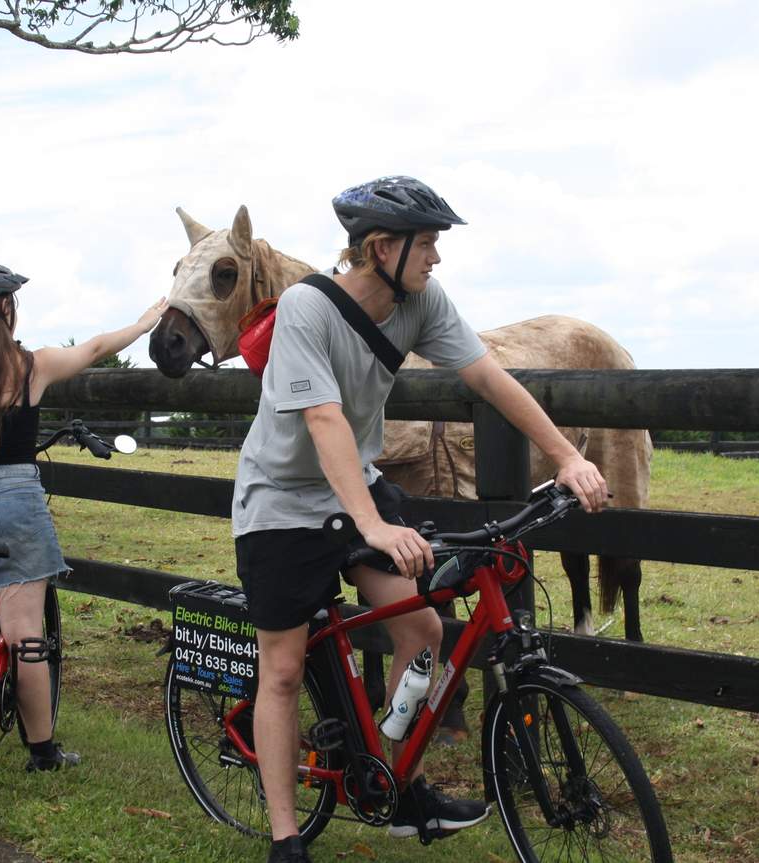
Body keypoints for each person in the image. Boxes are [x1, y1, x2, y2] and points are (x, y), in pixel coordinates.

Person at [232, 176, 609, 863]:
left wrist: (564, 455)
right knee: (282, 668)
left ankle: (395, 782)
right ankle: (285, 836)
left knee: (423, 630)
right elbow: (323, 420)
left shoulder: (421, 302)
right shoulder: (306, 309)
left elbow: (489, 377)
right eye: (427, 242)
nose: (436, 256)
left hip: (356, 488)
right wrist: (373, 525)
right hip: (281, 502)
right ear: (382, 247)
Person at [0, 262, 166, 772]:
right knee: (24, 634)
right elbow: (95, 349)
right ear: (4, 307)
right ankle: (42, 752)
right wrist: (144, 322)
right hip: (15, 502)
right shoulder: (29, 367)